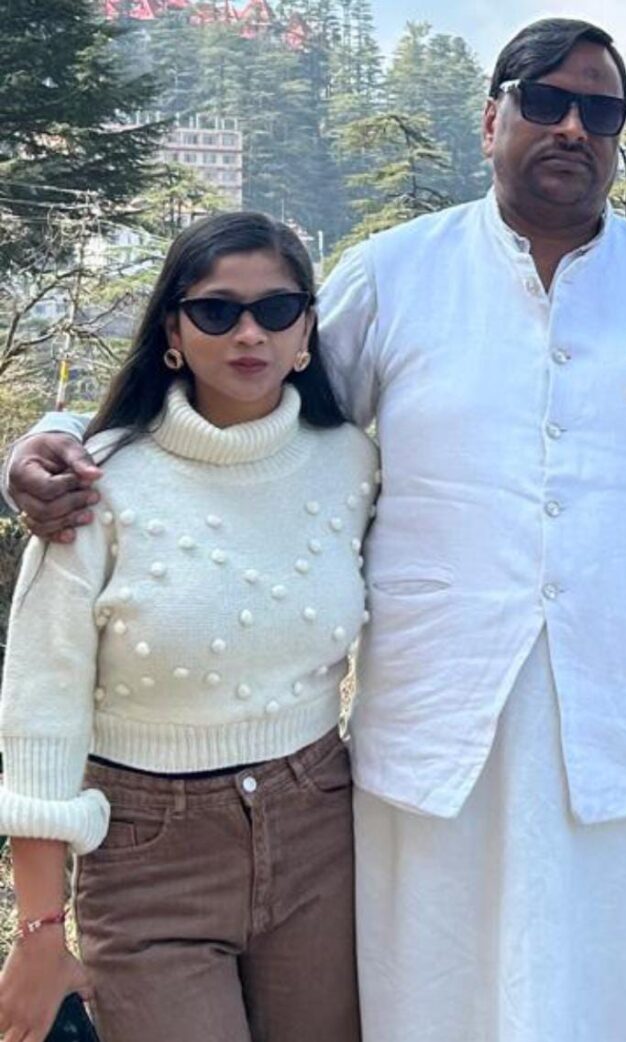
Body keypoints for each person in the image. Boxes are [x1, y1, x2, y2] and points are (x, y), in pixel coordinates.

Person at [5, 19, 626, 1042]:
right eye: (546, 101)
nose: (572, 127)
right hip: (434, 746)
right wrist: (60, 436)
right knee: (432, 1007)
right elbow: (244, 395)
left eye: (600, 110)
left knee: (618, 1006)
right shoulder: (398, 274)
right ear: (492, 118)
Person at [0, 212, 376, 1042]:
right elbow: (41, 713)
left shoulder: (354, 462)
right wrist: (38, 933)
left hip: (322, 829)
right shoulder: (94, 482)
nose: (249, 333)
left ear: (307, 330)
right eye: (215, 311)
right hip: (147, 856)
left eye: (276, 309)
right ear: (172, 330)